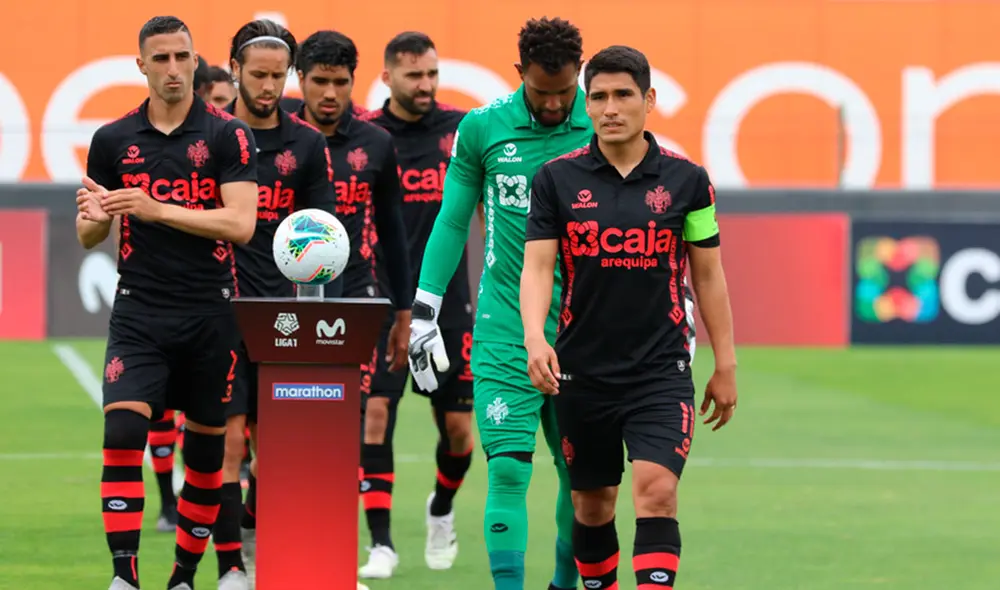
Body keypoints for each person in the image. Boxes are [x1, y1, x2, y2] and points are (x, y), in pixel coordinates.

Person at [520, 45, 738, 590]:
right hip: (581, 374)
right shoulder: (554, 180)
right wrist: (533, 339)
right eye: (598, 97)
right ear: (585, 105)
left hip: (660, 372)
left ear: (649, 100)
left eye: (623, 95)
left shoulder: (689, 182)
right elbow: (538, 268)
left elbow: (708, 276)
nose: (610, 107)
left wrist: (726, 362)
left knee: (657, 492)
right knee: (593, 507)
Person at [75, 15, 258, 590]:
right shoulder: (112, 140)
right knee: (123, 433)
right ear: (142, 66)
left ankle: (183, 576)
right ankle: (124, 577)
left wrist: (156, 209)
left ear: (195, 59)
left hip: (211, 313)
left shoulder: (228, 134)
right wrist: (92, 218)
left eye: (182, 57)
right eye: (161, 59)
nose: (174, 69)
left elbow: (241, 224)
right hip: (140, 313)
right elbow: (88, 234)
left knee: (206, 456)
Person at [407, 17, 589, 590]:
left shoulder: (605, 125)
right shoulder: (483, 129)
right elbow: (453, 220)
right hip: (505, 325)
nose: (557, 103)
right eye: (542, 91)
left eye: (566, 90)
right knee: (508, 468)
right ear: (520, 75)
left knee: (581, 479)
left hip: (586, 329)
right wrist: (424, 310)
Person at [238, 28, 413, 580]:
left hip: (350, 300)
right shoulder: (271, 135)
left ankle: (337, 556)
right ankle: (249, 528)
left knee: (343, 432)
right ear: (301, 81)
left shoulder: (377, 143)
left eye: (341, 82)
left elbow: (393, 230)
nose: (330, 93)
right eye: (320, 82)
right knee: (273, 442)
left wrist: (402, 310)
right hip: (268, 299)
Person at [207, 19, 336, 590]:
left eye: (277, 76)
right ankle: (231, 566)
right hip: (219, 309)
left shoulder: (307, 144)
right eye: (257, 74)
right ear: (233, 69)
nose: (267, 86)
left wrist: (315, 309)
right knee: (229, 441)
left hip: (284, 315)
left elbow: (325, 235)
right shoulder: (207, 137)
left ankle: (269, 548)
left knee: (279, 453)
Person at [355, 31, 473, 578]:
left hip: (451, 305)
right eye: (413, 75)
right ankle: (381, 544)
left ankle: (441, 509)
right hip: (379, 302)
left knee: (459, 432)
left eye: (431, 74)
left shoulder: (462, 131)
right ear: (387, 79)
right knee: (375, 416)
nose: (425, 85)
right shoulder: (369, 138)